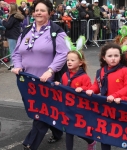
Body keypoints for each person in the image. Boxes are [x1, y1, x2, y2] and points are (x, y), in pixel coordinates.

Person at [11, 0, 69, 149]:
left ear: (49, 13)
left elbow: (63, 54)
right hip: (25, 81)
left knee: (40, 112)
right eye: (36, 10)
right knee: (34, 109)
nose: (38, 13)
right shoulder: (26, 30)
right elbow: (17, 52)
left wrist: (50, 70)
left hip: (46, 81)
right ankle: (57, 132)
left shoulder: (57, 31)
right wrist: (17, 65)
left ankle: (30, 144)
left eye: (42, 10)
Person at [86, 43, 127, 150]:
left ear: (120, 57)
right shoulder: (101, 71)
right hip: (106, 108)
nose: (113, 59)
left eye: (116, 56)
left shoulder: (124, 70)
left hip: (120, 107)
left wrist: (115, 95)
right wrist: (91, 90)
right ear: (104, 57)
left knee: (124, 134)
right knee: (104, 134)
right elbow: (97, 85)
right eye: (110, 56)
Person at [55, 36, 96, 150]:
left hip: (79, 109)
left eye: (72, 60)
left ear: (80, 63)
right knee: (68, 131)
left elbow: (90, 90)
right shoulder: (64, 75)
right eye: (68, 60)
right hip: (67, 107)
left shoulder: (84, 77)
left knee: (78, 131)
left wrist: (82, 89)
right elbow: (63, 89)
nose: (69, 62)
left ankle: (91, 141)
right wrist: (59, 86)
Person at [2, 3, 24, 70]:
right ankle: (15, 64)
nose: (8, 8)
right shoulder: (16, 16)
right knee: (16, 50)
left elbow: (8, 25)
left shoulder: (13, 16)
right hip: (16, 35)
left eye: (9, 7)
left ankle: (14, 64)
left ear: (12, 8)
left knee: (13, 50)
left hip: (12, 35)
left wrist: (3, 21)